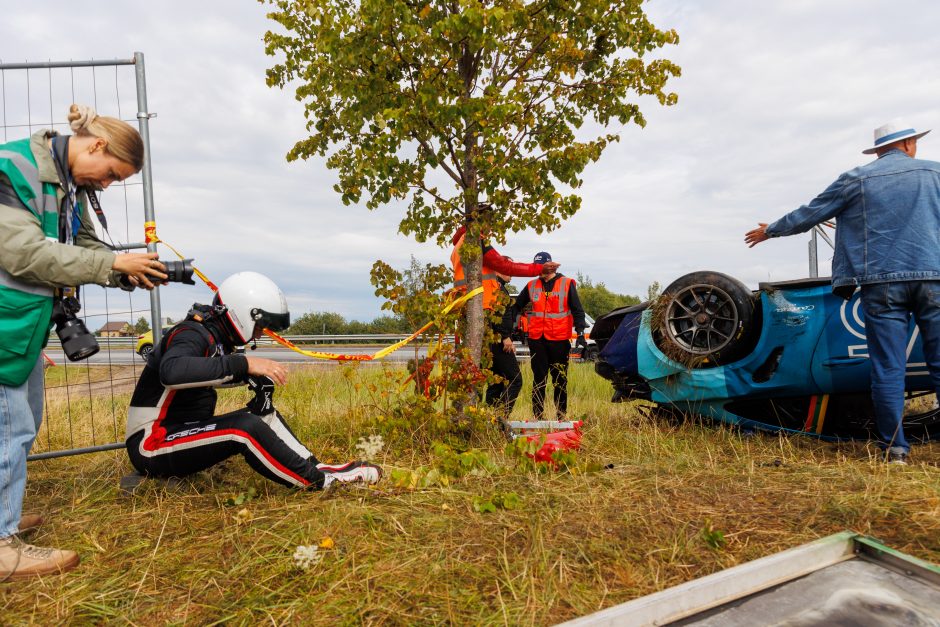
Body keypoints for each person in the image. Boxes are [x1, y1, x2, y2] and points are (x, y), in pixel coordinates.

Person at [0, 104, 166, 579]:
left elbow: (88, 248)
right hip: (5, 323)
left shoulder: (68, 187)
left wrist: (130, 269)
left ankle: (3, 517)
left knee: (23, 422)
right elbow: (23, 254)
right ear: (96, 145)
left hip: (23, 325)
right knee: (7, 430)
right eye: (111, 174)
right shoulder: (12, 169)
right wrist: (113, 266)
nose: (108, 185)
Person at [745, 120, 940, 465]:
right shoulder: (934, 173)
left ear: (878, 151)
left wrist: (770, 231)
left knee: (887, 368)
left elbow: (808, 214)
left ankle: (895, 451)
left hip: (881, 285)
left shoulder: (856, 180)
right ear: (909, 144)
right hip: (934, 279)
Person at [126, 272, 382, 490]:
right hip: (150, 444)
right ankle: (320, 482)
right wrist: (245, 364)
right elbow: (172, 373)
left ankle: (316, 466)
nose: (260, 333)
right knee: (243, 428)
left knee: (261, 415)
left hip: (180, 431)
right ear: (242, 313)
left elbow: (206, 374)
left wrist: (250, 377)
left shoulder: (216, 339)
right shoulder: (190, 333)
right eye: (260, 326)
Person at [515, 252, 587, 420]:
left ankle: (561, 416)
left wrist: (581, 333)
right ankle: (538, 417)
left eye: (542, 266)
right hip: (537, 340)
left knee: (560, 380)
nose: (539, 270)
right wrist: (508, 329)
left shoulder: (567, 284)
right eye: (537, 266)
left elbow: (578, 311)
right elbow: (516, 306)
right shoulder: (531, 285)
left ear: (551, 265)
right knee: (539, 379)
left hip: (559, 340)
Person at [484, 265, 523, 421]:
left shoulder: (492, 286)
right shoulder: (497, 287)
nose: (511, 275)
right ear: (497, 270)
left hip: (490, 341)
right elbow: (498, 314)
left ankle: (489, 418)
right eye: (508, 271)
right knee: (515, 379)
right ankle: (500, 418)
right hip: (498, 341)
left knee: (497, 382)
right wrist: (505, 336)